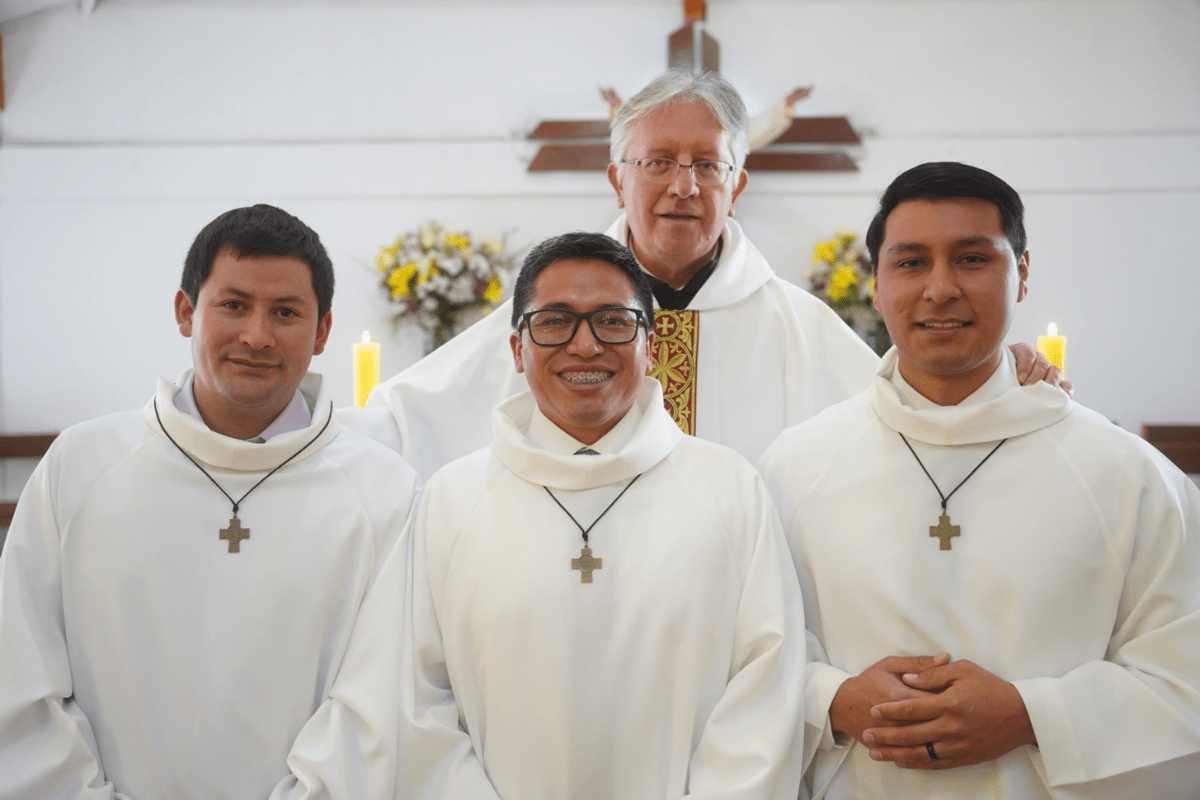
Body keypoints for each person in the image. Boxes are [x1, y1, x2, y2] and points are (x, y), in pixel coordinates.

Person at [352, 69, 1057, 481]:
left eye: (706, 164)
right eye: (658, 161)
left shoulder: (799, 328)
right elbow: (409, 422)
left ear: (737, 183)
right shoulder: (545, 316)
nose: (683, 185)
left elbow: (918, 411)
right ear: (617, 180)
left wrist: (1005, 371)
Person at [757, 162, 1200, 799]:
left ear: (1021, 273)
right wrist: (830, 700)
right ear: (877, 285)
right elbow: (740, 650)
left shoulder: (1126, 474)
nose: (940, 289)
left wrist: (1032, 716)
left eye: (971, 259)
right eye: (911, 263)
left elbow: (1183, 672)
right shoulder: (796, 466)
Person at [0, 205, 419, 799]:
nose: (257, 334)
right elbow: (17, 672)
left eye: (285, 312)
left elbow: (382, 702)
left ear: (322, 331)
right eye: (234, 305)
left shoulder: (384, 492)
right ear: (185, 312)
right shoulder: (82, 466)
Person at [399, 232, 806, 799]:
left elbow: (769, 688)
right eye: (554, 321)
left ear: (651, 343)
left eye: (613, 321)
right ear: (517, 349)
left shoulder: (730, 489)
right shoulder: (452, 498)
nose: (585, 346)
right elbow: (414, 699)